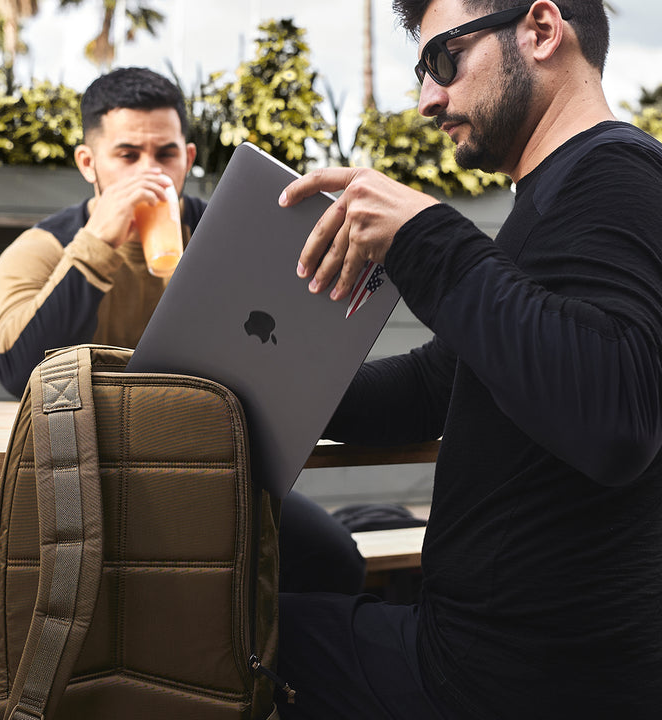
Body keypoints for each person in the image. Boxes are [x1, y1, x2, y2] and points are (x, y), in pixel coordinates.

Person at [274, 1, 662, 718]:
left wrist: (425, 235)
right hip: (505, 657)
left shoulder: (614, 179)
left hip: (515, 678)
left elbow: (616, 419)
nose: (428, 99)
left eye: (444, 60)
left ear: (541, 30)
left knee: (220, 637)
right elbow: (437, 383)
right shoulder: (560, 198)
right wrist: (261, 382)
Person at [0, 66, 364, 720]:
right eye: (128, 155)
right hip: (76, 467)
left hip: (210, 468)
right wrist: (97, 244)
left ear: (190, 158)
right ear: (89, 163)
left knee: (332, 558)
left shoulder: (232, 238)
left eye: (165, 153)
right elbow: (15, 367)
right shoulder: (40, 249)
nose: (150, 170)